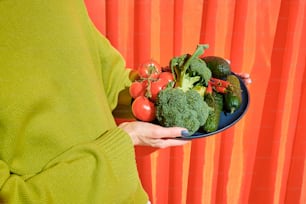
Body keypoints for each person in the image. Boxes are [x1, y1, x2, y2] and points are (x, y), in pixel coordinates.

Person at [0, 1, 251, 203]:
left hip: (129, 195)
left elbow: (109, 80)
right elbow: (10, 196)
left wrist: (179, 87)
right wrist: (122, 143)